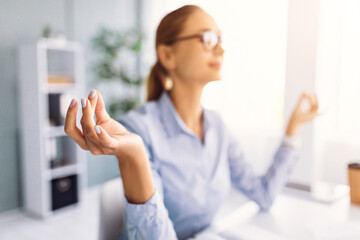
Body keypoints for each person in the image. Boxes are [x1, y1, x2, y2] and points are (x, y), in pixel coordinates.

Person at [64, 5, 320, 240]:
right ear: (167, 55)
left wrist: (292, 130)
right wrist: (135, 156)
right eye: (207, 38)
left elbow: (263, 195)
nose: (220, 49)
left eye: (220, 39)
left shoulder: (217, 127)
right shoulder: (141, 128)